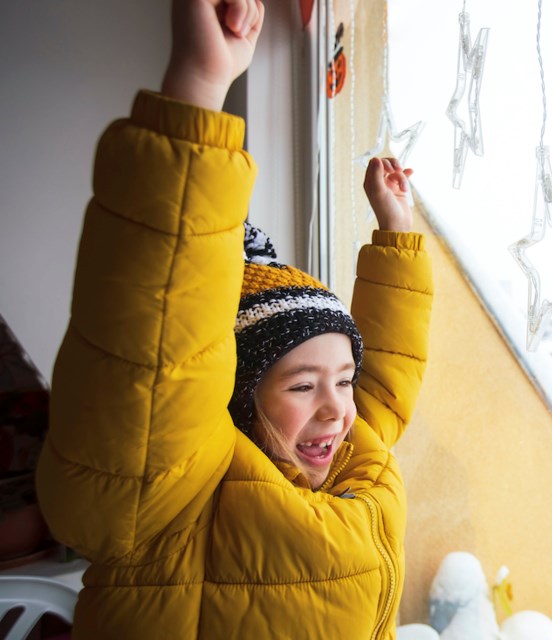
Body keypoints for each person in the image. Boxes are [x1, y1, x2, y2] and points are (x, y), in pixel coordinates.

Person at [35, 0, 433, 637]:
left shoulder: (351, 447)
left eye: (342, 379)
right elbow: (157, 346)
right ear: (237, 394)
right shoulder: (174, 491)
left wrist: (396, 232)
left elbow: (385, 379)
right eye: (302, 385)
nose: (336, 408)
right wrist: (199, 86)